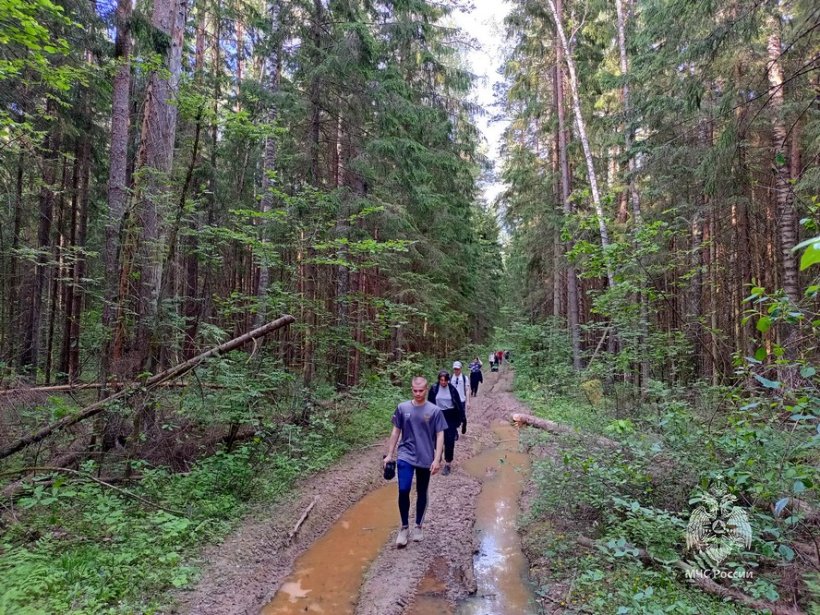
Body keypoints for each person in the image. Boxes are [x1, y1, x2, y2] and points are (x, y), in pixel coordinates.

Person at [383, 376, 446, 548]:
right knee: (403, 489)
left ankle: (418, 525)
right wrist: (389, 454)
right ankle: (404, 527)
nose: (418, 394)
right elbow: (396, 431)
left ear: (426, 390)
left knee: (421, 491)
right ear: (412, 389)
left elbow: (440, 435)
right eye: (415, 390)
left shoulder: (434, 411)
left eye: (421, 390)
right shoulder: (402, 408)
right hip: (405, 455)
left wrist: (437, 458)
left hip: (425, 456)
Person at [427, 370, 466, 477]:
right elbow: (429, 404)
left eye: (445, 380)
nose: (443, 382)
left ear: (448, 380)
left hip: (450, 417)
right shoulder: (434, 388)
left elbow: (459, 405)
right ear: (439, 380)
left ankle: (448, 463)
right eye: (441, 380)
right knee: (436, 439)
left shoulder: (452, 390)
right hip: (438, 415)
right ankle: (438, 456)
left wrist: (463, 419)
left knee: (449, 441)